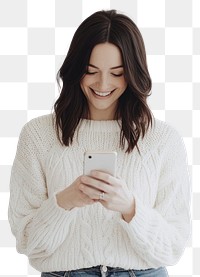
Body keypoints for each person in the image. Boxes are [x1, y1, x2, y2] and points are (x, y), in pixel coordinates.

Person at [8, 9, 191, 277]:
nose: (103, 84)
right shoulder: (38, 136)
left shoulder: (163, 140)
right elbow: (28, 243)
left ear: (133, 73)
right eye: (90, 71)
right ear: (74, 70)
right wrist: (65, 201)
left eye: (117, 73)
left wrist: (130, 208)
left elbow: (172, 248)